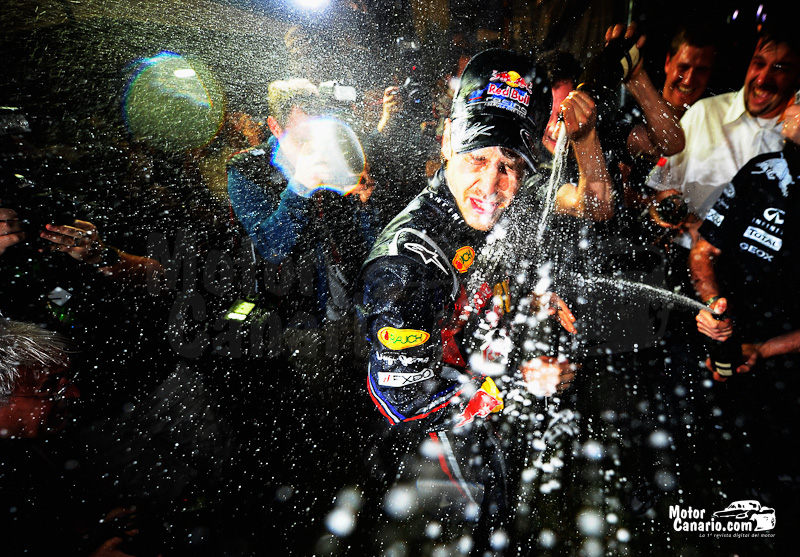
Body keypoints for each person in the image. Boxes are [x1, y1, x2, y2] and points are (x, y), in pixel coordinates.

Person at [356, 48, 581, 553]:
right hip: (424, 451)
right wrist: (518, 381)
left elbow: (479, 286)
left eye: (509, 166)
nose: (492, 186)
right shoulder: (405, 265)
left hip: (475, 418)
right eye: (477, 159)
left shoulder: (470, 211)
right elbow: (403, 397)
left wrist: (530, 299)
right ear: (447, 143)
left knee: (499, 513)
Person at [689, 103, 800, 548]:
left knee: (777, 497)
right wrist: (713, 305)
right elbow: (703, 251)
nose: (793, 108)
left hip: (786, 376)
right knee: (717, 473)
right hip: (730, 358)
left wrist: (765, 350)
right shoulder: (761, 171)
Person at [647, 19, 800, 240]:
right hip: (682, 255)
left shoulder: (795, 139)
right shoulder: (704, 113)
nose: (762, 79)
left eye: (779, 69)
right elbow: (659, 192)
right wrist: (673, 209)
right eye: (758, 63)